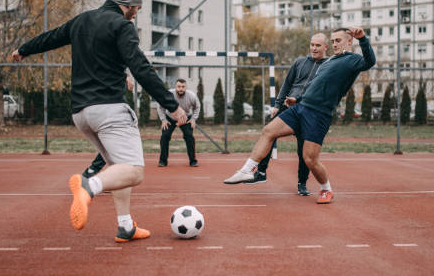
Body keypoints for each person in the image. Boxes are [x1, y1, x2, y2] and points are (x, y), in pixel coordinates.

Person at [12, 0, 187, 242]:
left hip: (81, 113)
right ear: (128, 5)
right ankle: (88, 186)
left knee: (118, 165)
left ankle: (125, 226)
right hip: (110, 111)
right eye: (136, 9)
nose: (135, 15)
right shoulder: (122, 25)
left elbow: (51, 38)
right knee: (135, 171)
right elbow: (141, 67)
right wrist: (171, 105)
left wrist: (23, 49)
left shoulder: (81, 21)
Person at [224, 27, 376, 204]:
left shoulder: (353, 60)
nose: (335, 44)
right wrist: (298, 99)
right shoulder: (327, 62)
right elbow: (314, 85)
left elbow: (370, 62)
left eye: (338, 40)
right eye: (333, 41)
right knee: (268, 131)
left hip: (319, 115)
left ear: (349, 42)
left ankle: (326, 189)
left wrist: (363, 39)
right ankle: (247, 170)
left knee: (309, 159)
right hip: (301, 107)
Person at [249, 33, 329, 196]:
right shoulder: (299, 62)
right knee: (269, 133)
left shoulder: (328, 66)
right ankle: (261, 172)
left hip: (308, 110)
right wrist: (278, 105)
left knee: (303, 151)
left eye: (318, 45)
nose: (314, 48)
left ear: (325, 47)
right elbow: (287, 84)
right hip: (289, 106)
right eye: (312, 44)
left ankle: (302, 183)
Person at [82, 75, 134, 179]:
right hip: (106, 114)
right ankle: (95, 173)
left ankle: (93, 171)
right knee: (114, 146)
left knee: (114, 147)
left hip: (112, 114)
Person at [157, 78, 201, 167]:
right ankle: (163, 161)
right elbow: (160, 107)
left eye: (183, 87)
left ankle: (193, 161)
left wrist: (193, 119)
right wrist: (163, 120)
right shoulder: (169, 94)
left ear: (186, 87)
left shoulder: (191, 96)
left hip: (185, 118)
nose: (181, 88)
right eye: (179, 86)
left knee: (189, 136)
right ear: (175, 87)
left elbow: (197, 107)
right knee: (165, 136)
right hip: (170, 117)